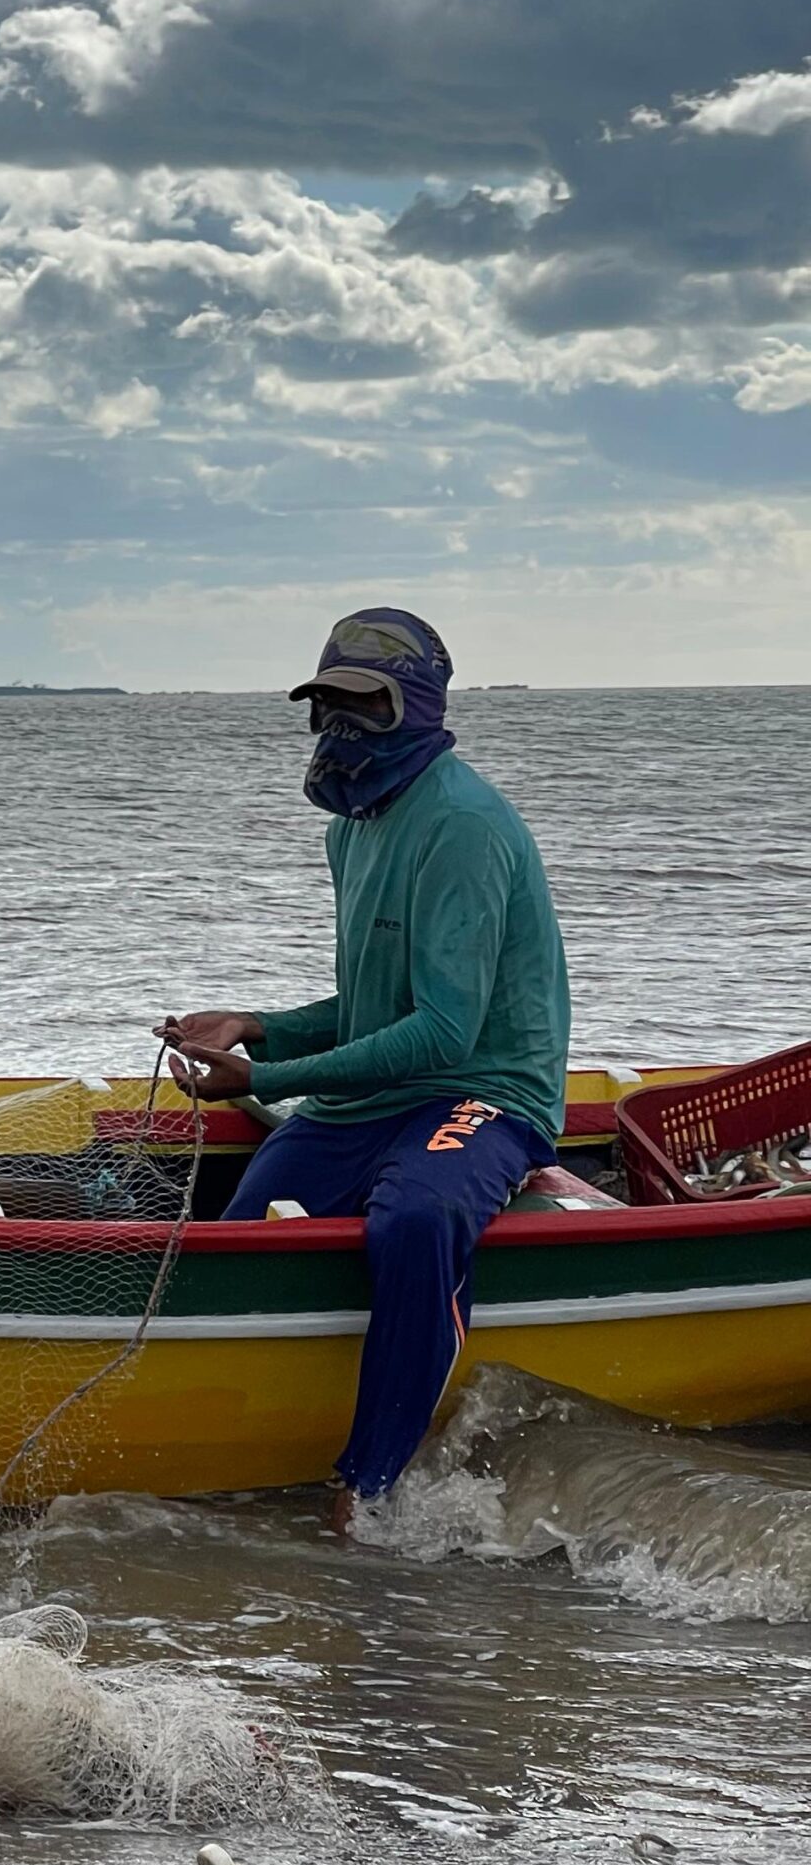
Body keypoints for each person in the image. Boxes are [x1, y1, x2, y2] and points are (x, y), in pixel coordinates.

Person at [156, 608, 569, 1531]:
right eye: (325, 710)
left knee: (419, 1217)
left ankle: (371, 1480)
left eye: (363, 710)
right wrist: (256, 1029)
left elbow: (445, 1035)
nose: (340, 733)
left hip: (483, 1092)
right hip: (379, 1095)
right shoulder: (352, 830)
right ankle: (228, 1441)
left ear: (415, 709)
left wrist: (258, 1080)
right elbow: (371, 1009)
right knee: (245, 1239)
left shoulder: (461, 826)